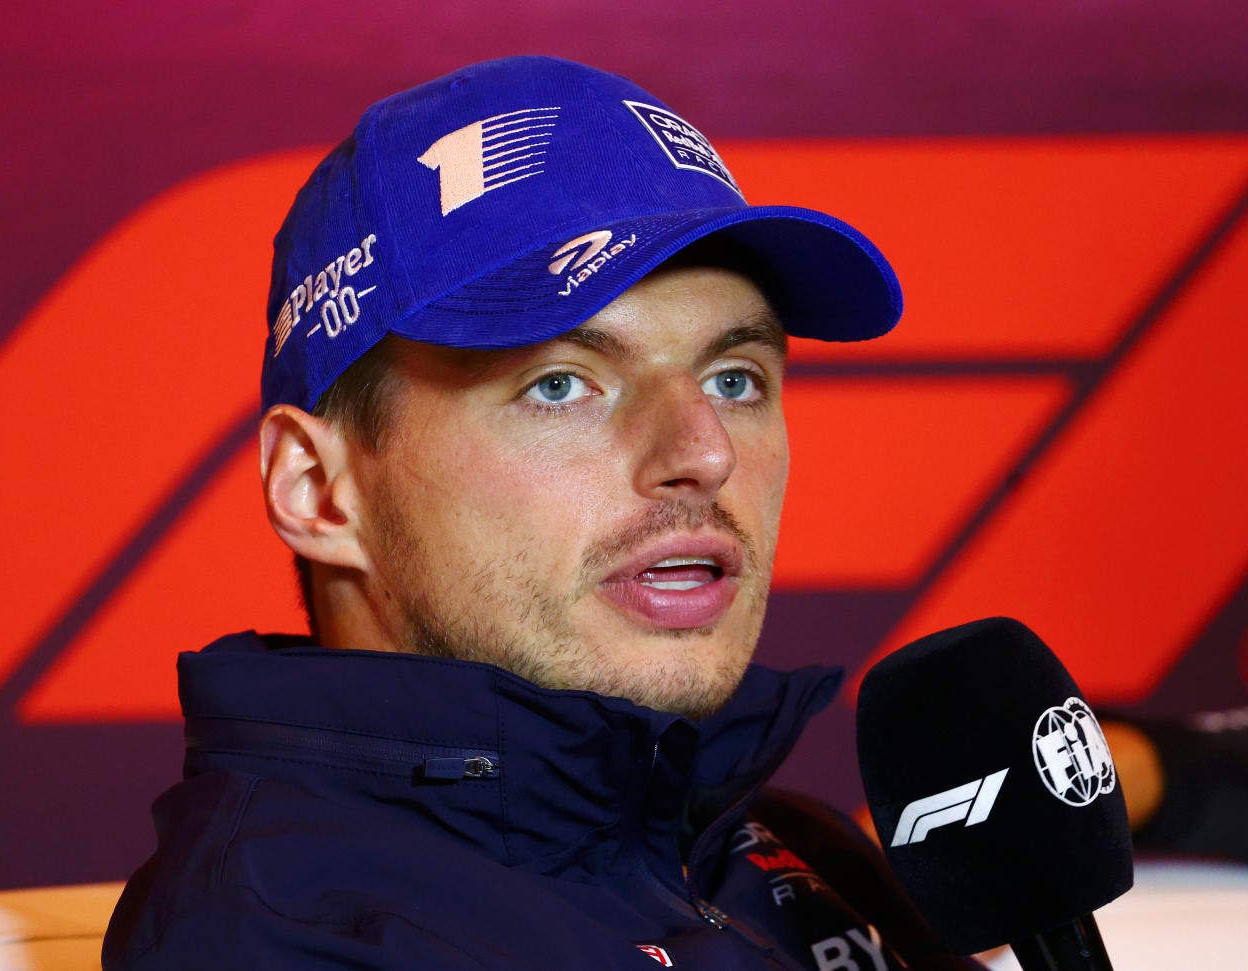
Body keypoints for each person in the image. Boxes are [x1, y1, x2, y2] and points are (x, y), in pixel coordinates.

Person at [102, 55, 981, 970]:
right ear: (319, 490)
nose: (705, 451)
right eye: (561, 385)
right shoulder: (289, 937)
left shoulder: (781, 840)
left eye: (734, 378)